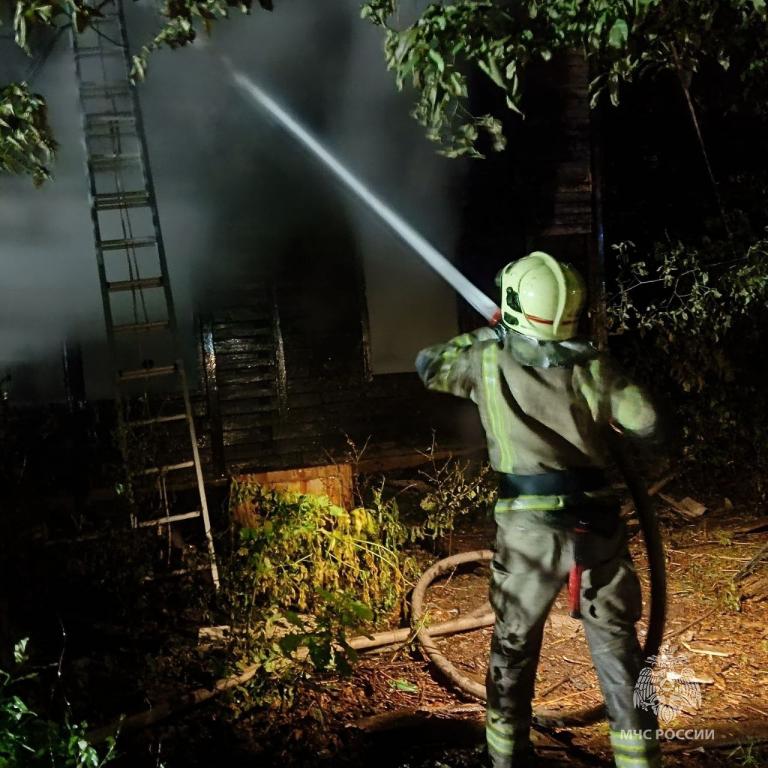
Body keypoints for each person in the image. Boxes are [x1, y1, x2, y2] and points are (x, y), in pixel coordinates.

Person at [415, 252, 662, 768]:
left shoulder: (486, 357)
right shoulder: (592, 363)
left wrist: (490, 335)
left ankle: (507, 757)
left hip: (529, 529)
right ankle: (640, 758)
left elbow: (428, 364)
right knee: (620, 650)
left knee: (514, 644)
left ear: (512, 303)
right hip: (596, 524)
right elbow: (644, 420)